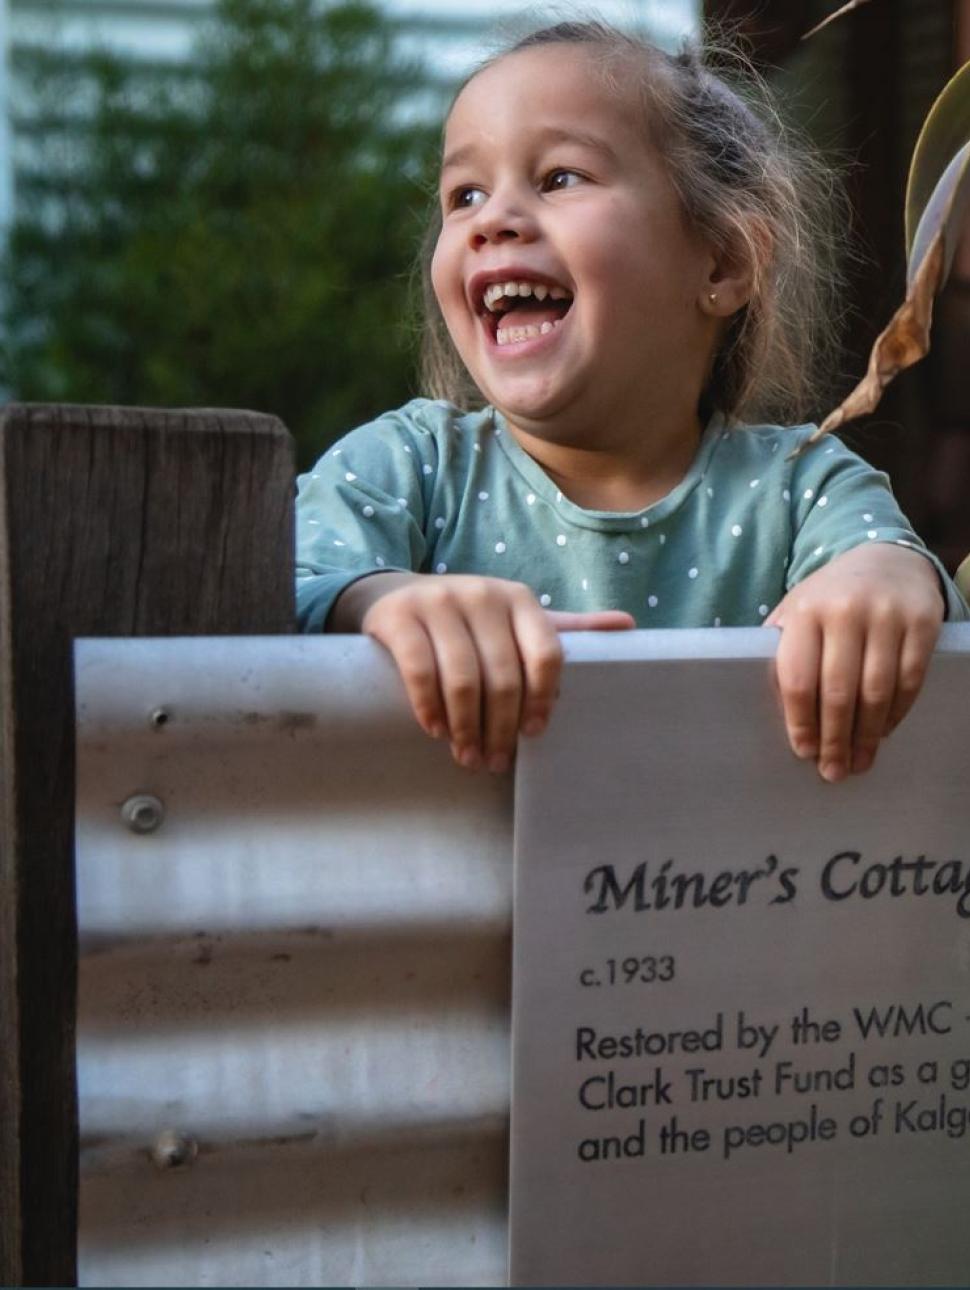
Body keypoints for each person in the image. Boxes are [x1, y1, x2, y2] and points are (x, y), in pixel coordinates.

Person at [295, 20, 968, 783]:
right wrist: (380, 600)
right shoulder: (405, 465)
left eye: (558, 178)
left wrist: (883, 580)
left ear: (721, 260)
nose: (492, 220)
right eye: (465, 193)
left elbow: (903, 578)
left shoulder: (800, 486)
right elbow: (277, 590)